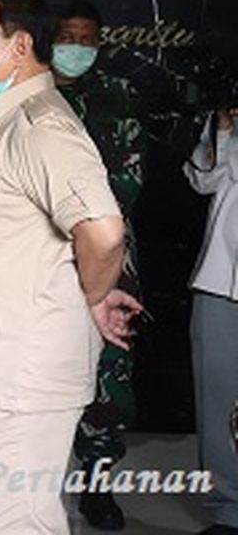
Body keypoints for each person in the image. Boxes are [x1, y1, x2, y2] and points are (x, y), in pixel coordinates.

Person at [0, 0, 141, 535]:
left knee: (16, 523)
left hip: (15, 376)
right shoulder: (1, 122)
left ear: (19, 46)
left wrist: (92, 295)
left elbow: (104, 232)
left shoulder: (41, 126)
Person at [52, 0, 145, 530]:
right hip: (43, 254)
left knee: (109, 372)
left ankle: (98, 483)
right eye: (67, 37)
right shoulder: (30, 97)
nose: (77, 48)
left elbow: (128, 181)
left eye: (87, 39)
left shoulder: (120, 98)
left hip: (110, 255)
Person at [184, 104, 238, 535]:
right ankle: (227, 507)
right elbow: (203, 180)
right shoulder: (226, 121)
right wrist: (222, 133)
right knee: (219, 400)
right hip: (220, 279)